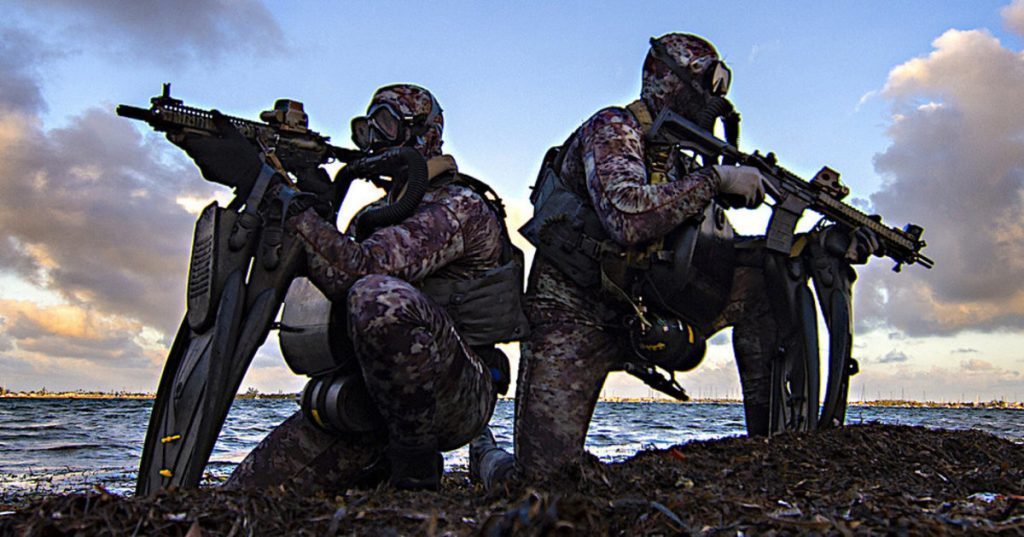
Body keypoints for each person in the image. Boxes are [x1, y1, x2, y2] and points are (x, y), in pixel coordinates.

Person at [471, 33, 882, 487]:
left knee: (764, 281)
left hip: (649, 307)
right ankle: (486, 455)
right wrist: (716, 181)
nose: (712, 97)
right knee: (541, 482)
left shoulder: (678, 160)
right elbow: (628, 216)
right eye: (706, 82)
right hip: (575, 314)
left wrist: (814, 242)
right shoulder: (613, 127)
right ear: (667, 77)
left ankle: (770, 443)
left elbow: (710, 249)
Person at [177, 84, 527, 492]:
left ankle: (415, 469)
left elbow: (360, 272)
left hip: (457, 394)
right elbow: (326, 272)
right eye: (366, 129)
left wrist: (269, 186)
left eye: (386, 124)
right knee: (244, 495)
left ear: (426, 134)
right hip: (371, 394)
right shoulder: (379, 213)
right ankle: (379, 462)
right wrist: (305, 199)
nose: (374, 139)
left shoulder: (457, 205)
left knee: (379, 298)